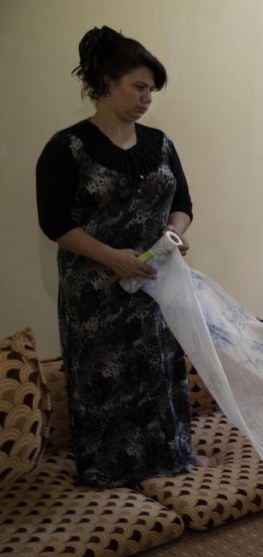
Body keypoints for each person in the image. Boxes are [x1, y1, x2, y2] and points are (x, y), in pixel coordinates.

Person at [36, 26, 210, 488]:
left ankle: (169, 457)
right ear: (106, 82)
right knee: (103, 377)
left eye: (151, 89)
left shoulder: (162, 143)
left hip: (155, 283)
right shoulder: (67, 147)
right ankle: (110, 470)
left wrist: (174, 234)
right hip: (96, 293)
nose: (147, 97)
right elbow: (55, 224)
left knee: (159, 367)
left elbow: (184, 205)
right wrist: (113, 257)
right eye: (138, 86)